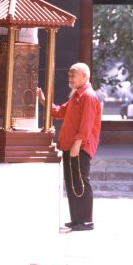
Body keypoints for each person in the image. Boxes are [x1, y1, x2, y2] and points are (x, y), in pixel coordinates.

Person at [37, 63, 101, 231]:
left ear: (85, 77)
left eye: (74, 75)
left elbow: (86, 124)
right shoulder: (76, 95)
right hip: (70, 145)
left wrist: (77, 144)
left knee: (81, 181)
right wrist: (44, 101)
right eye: (69, 75)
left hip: (79, 146)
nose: (70, 79)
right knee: (72, 182)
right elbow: (60, 112)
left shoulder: (88, 96)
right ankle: (77, 219)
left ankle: (86, 221)